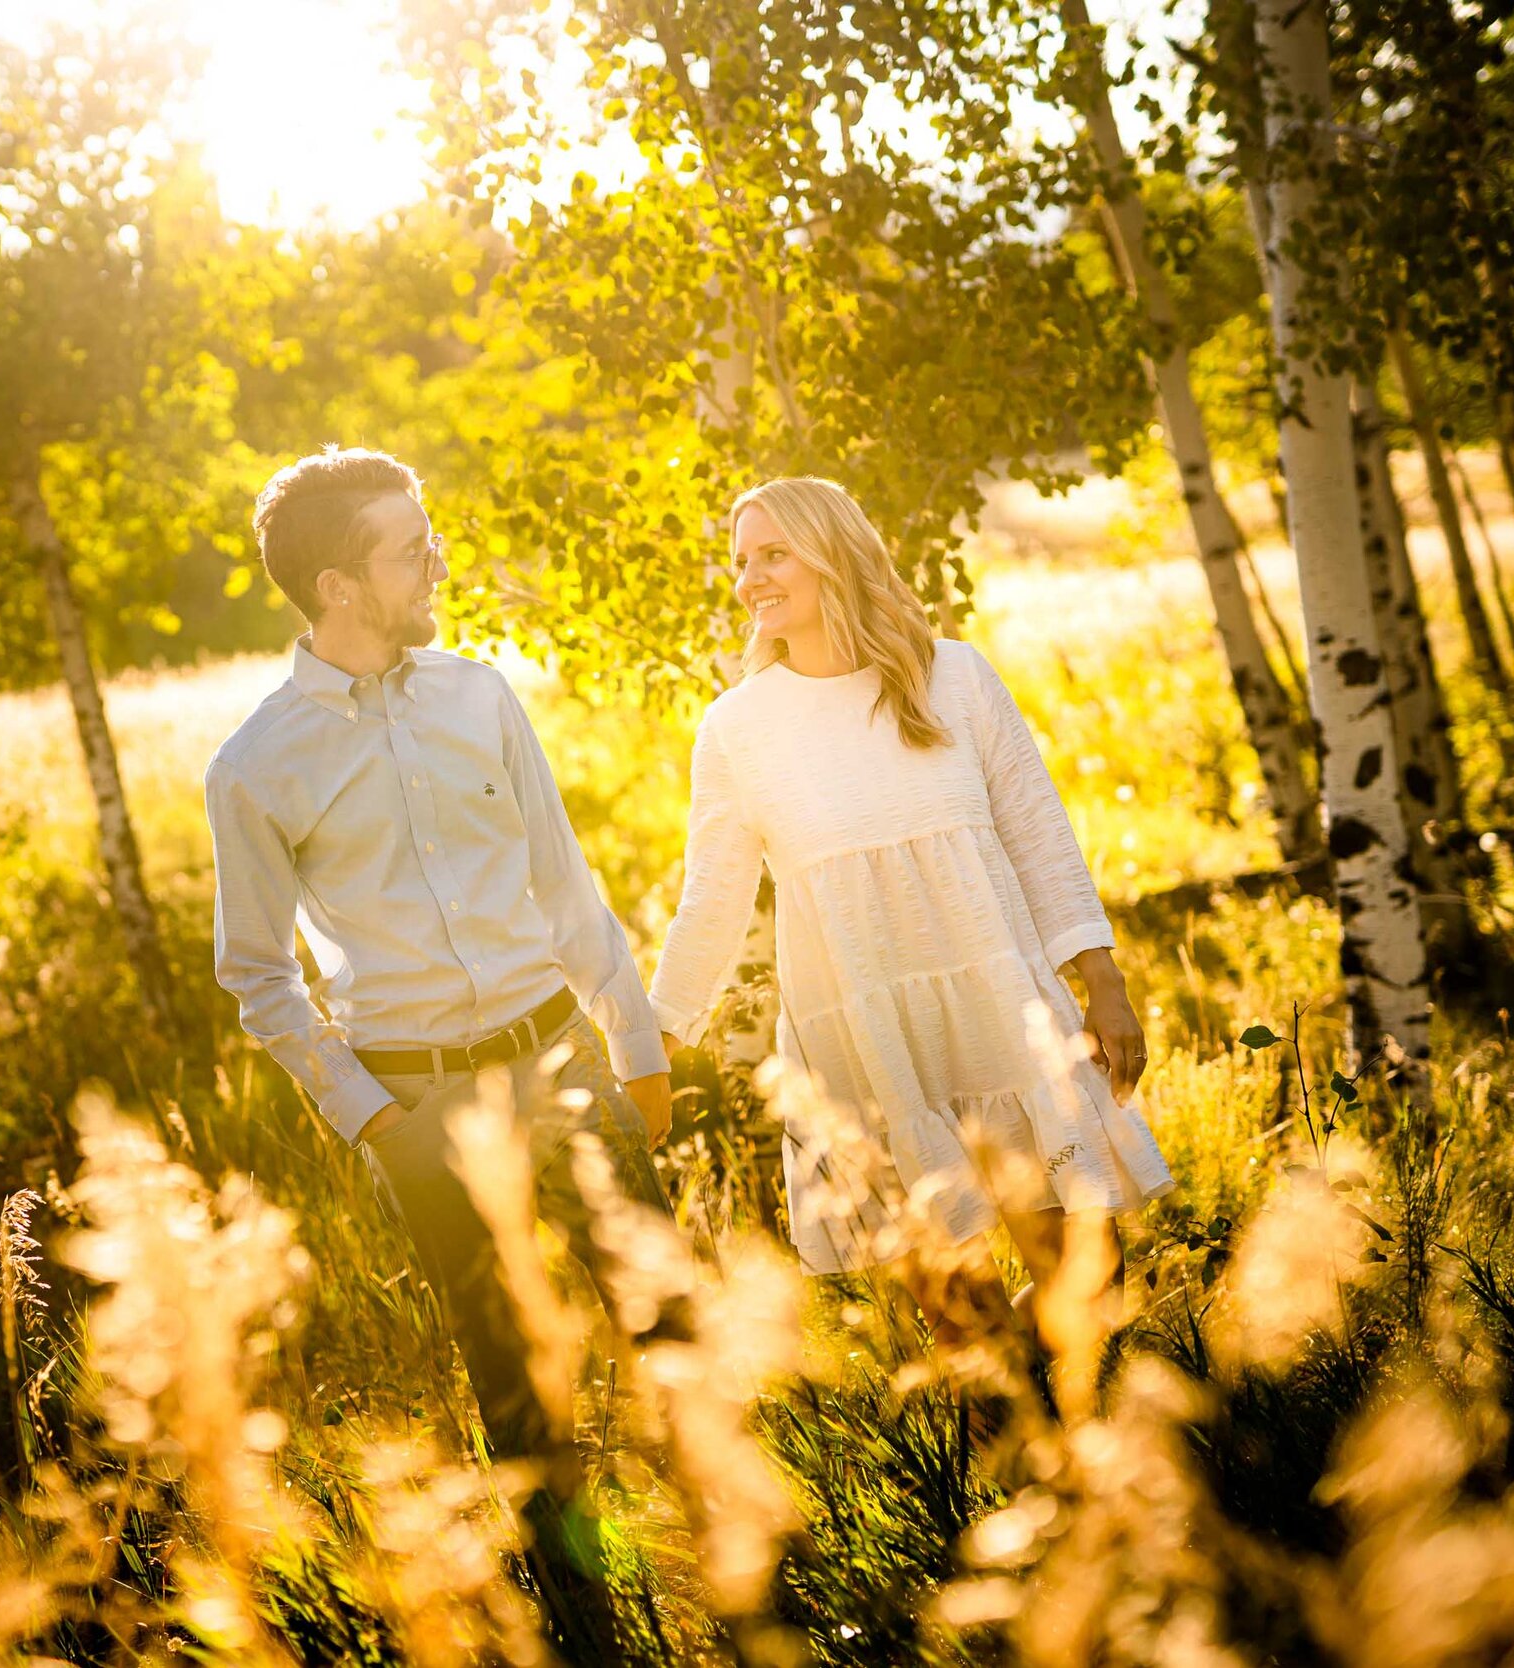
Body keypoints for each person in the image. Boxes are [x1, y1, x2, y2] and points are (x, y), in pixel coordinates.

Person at [203, 446, 676, 1664]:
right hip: (419, 1105)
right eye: (411, 548)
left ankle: (749, 1573)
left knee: (675, 1320)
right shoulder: (255, 767)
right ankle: (593, 1633)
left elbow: (564, 886)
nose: (438, 562)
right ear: (336, 585)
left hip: (566, 1065)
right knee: (516, 1386)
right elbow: (258, 971)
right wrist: (370, 1120)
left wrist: (635, 1048)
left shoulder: (480, 696)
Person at [648, 476, 1173, 1340]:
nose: (751, 580)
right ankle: (1036, 1458)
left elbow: (1040, 834)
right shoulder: (738, 729)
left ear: (835, 552)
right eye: (742, 562)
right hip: (870, 1048)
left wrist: (1102, 980)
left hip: (1007, 1018)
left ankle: (1056, 1419)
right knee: (968, 1333)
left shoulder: (956, 678)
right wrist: (653, 1044)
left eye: (774, 553)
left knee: (1095, 1273)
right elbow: (711, 899)